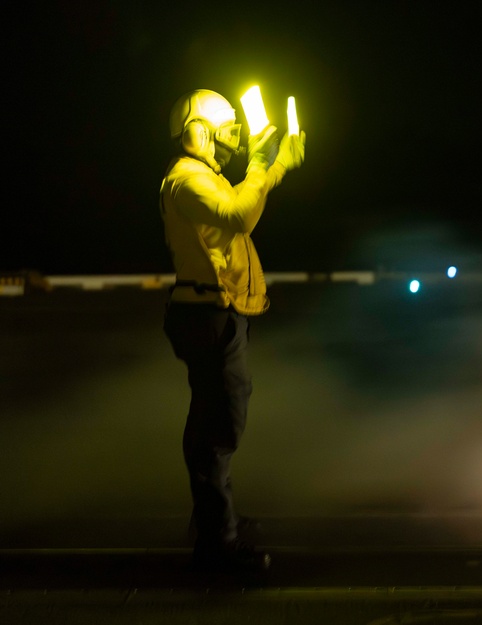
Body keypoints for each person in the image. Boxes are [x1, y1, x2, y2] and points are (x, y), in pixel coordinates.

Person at [159, 89, 305, 573]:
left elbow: (244, 204)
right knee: (217, 430)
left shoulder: (204, 178)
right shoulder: (187, 182)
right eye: (224, 136)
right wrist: (266, 164)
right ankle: (218, 545)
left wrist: (275, 165)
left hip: (213, 313)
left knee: (218, 423)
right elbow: (241, 214)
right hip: (206, 317)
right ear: (196, 133)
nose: (231, 146)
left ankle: (216, 522)